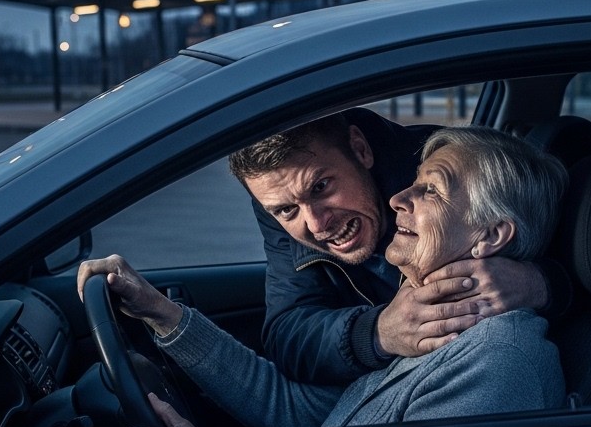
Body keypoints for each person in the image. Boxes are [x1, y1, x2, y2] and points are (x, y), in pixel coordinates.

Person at [78, 126, 568, 427]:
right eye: (287, 210)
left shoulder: (495, 361)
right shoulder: (427, 334)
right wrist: (161, 314)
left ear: (491, 236)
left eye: (429, 190)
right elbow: (298, 413)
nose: (399, 196)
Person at [226, 108, 571, 385]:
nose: (316, 224)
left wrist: (540, 283)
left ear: (360, 149)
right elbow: (290, 331)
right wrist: (378, 333)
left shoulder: (450, 164)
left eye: (322, 187)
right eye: (287, 210)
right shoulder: (277, 195)